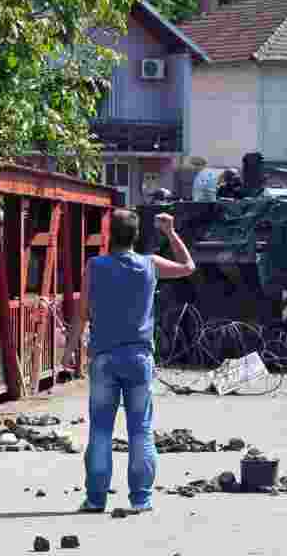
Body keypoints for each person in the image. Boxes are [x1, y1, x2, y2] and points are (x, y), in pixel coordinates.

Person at [60, 209, 195, 515]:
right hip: (138, 359)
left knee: (100, 431)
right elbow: (188, 267)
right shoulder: (150, 264)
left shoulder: (95, 266)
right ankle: (141, 499)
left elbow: (82, 312)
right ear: (135, 236)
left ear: (110, 236)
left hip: (104, 358)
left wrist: (70, 351)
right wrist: (170, 232)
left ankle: (95, 499)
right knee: (140, 430)